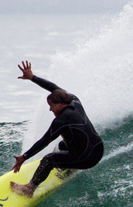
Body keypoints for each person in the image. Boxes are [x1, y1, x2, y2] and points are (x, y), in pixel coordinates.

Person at [9, 61, 104, 197]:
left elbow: (44, 141)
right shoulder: (73, 100)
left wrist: (24, 157)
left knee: (49, 159)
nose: (50, 109)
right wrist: (32, 77)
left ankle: (29, 189)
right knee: (61, 145)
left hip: (88, 158)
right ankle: (70, 167)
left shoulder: (62, 120)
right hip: (97, 147)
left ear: (59, 104)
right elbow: (53, 87)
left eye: (51, 105)